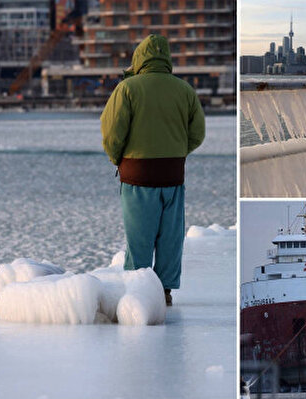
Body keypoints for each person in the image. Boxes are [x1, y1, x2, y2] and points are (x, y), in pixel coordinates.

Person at [100, 34, 205, 306]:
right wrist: (177, 152)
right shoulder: (184, 90)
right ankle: (166, 291)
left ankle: (137, 291)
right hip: (173, 175)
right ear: (167, 58)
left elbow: (112, 131)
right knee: (170, 237)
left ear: (139, 58)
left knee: (139, 238)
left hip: (137, 176)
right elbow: (198, 133)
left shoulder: (127, 89)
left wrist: (118, 159)